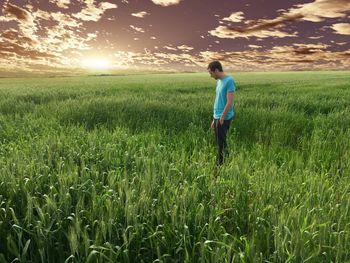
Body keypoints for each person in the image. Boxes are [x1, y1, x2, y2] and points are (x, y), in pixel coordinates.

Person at [208, 61, 236, 166]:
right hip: (217, 116)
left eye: (211, 73)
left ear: (216, 70)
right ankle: (223, 160)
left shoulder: (229, 81)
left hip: (223, 117)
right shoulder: (219, 81)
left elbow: (230, 102)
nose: (210, 76)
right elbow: (218, 100)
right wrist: (214, 118)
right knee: (219, 141)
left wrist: (222, 117)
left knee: (221, 142)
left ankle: (222, 163)